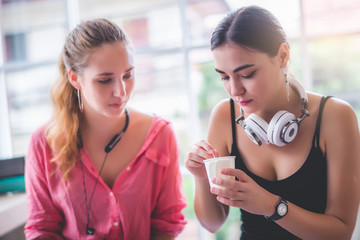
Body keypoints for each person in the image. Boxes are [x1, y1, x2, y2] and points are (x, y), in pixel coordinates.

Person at [185, 5, 360, 240]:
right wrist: (200, 176)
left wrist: (271, 206)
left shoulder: (335, 116)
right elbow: (213, 223)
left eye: (247, 74)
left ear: (283, 56)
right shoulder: (224, 116)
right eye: (224, 77)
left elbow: (341, 233)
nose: (235, 90)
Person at [25, 18, 186, 240]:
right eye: (104, 80)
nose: (121, 92)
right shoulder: (44, 143)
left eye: (128, 75)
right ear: (75, 78)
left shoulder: (160, 135)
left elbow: (168, 225)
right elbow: (42, 230)